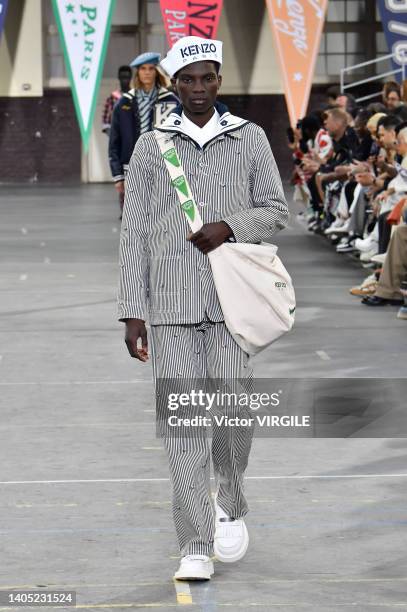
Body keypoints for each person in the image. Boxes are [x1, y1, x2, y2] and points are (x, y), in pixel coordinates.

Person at [117, 36, 288, 581]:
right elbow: (135, 228)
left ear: (219, 80)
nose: (197, 88)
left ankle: (230, 500)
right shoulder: (151, 145)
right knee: (184, 423)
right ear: (172, 85)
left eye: (206, 78)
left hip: (233, 304)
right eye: (186, 80)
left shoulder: (250, 137)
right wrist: (132, 309)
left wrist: (230, 226)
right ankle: (194, 541)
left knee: (234, 413)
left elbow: (276, 211)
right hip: (171, 304)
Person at [109, 52, 178, 217]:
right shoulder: (124, 103)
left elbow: (178, 137)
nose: (147, 72)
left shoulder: (170, 100)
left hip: (162, 165)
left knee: (161, 215)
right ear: (138, 72)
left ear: (156, 72)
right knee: (133, 215)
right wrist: (118, 176)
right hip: (131, 166)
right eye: (143, 69)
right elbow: (114, 142)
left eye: (151, 68)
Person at [101, 65, 132, 135]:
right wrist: (113, 137)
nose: (125, 80)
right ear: (119, 78)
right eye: (122, 77)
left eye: (127, 77)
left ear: (130, 78)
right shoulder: (113, 97)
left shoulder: (135, 96)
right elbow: (106, 122)